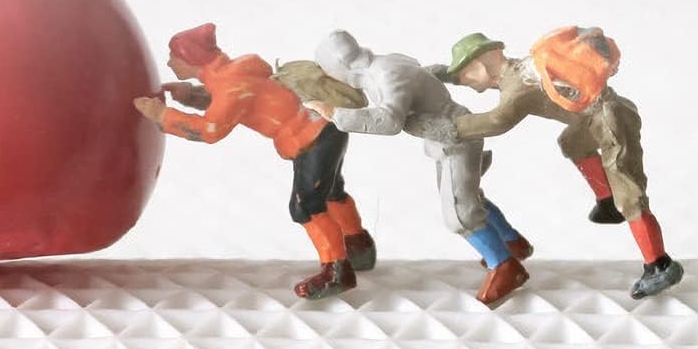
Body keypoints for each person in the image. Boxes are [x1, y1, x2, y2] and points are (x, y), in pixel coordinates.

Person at [133, 23, 374, 300]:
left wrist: (163, 116)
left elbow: (210, 130)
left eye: (174, 56)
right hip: (326, 129)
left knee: (305, 206)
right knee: (331, 192)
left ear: (193, 59)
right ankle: (358, 246)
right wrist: (189, 96)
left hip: (311, 139)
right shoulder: (235, 73)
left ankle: (337, 271)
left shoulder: (230, 87)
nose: (169, 62)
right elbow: (231, 104)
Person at [440, 32, 684, 299]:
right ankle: (607, 202)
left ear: (480, 66)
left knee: (629, 193)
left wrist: (449, 127)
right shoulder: (519, 71)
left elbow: (498, 121)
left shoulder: (518, 85)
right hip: (591, 118)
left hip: (611, 119)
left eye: (465, 74)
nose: (466, 82)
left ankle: (659, 265)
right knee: (573, 141)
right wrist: (441, 75)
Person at [309, 30, 532, 307]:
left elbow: (390, 120)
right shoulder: (387, 62)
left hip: (455, 137)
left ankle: (505, 267)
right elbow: (424, 75)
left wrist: (334, 113)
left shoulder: (386, 75)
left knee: (459, 213)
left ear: (340, 67)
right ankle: (511, 241)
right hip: (448, 136)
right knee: (470, 196)